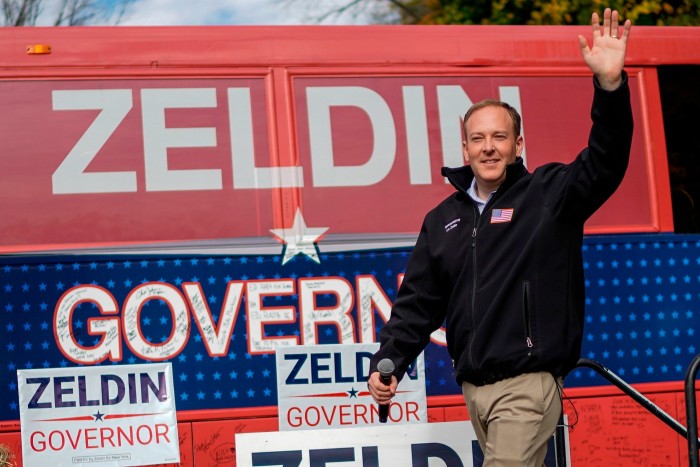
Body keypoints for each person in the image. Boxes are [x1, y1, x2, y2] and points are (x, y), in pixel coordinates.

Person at [368, 7, 633, 466]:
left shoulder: (549, 195)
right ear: (464, 147)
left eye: (499, 137)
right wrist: (388, 359)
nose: (488, 147)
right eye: (478, 138)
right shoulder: (442, 220)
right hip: (476, 391)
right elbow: (417, 304)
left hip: (527, 386)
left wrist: (609, 87)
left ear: (518, 145)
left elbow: (606, 161)